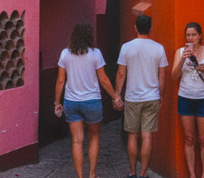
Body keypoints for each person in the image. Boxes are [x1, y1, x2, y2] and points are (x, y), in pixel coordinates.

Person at [55, 21, 120, 178]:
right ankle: (92, 175)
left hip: (71, 102)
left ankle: (80, 177)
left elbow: (60, 81)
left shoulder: (65, 54)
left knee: (77, 141)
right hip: (92, 102)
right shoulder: (95, 54)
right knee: (94, 138)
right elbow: (103, 79)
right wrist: (115, 97)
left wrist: (57, 102)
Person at [115, 14, 168, 178]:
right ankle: (144, 173)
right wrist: (161, 95)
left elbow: (121, 73)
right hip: (151, 96)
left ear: (135, 28)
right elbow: (162, 76)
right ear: (150, 28)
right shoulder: (159, 48)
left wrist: (117, 95)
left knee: (132, 135)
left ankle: (132, 173)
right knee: (147, 136)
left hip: (132, 97)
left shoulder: (126, 47)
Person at [171, 22, 204, 178]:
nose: (190, 38)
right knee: (189, 138)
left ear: (200, 35)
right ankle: (192, 175)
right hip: (185, 97)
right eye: (188, 35)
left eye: (193, 34)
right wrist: (181, 60)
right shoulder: (180, 52)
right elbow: (174, 76)